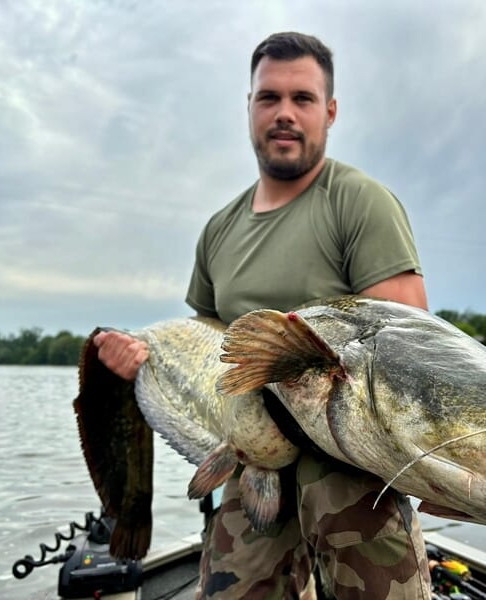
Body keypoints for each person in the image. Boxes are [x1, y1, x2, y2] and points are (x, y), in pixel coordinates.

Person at [95, 32, 431, 599]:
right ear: (249, 107)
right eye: (268, 98)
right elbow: (205, 343)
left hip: (349, 472)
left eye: (302, 99)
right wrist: (146, 358)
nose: (284, 114)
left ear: (330, 112)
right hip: (249, 465)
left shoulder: (359, 202)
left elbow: (403, 352)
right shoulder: (219, 229)